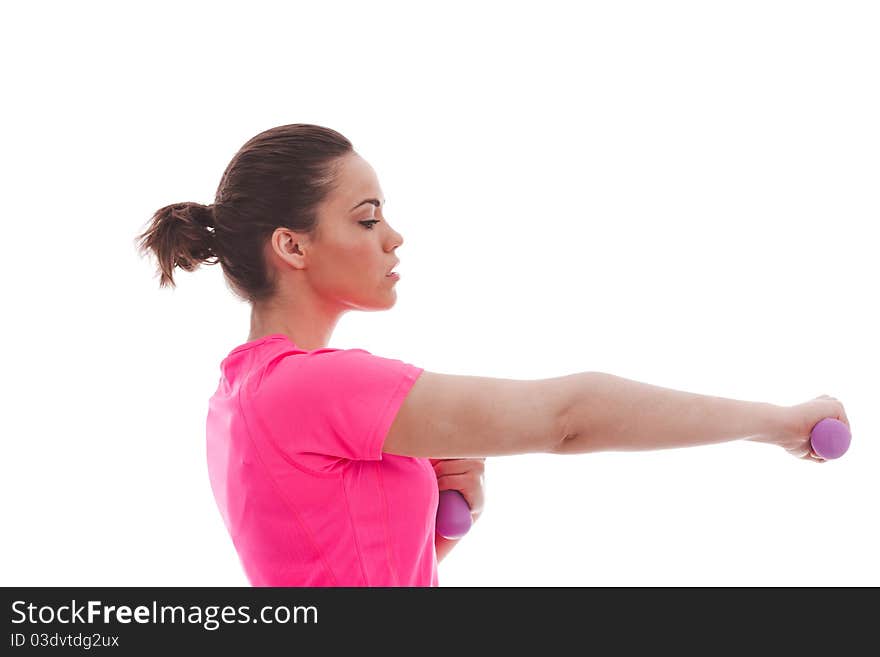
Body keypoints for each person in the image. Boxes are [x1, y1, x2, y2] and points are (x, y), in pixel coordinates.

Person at [134, 123, 851, 587]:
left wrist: (438, 526)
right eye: (367, 217)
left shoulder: (235, 397)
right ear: (291, 246)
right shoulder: (313, 388)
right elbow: (567, 417)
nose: (394, 238)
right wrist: (781, 422)